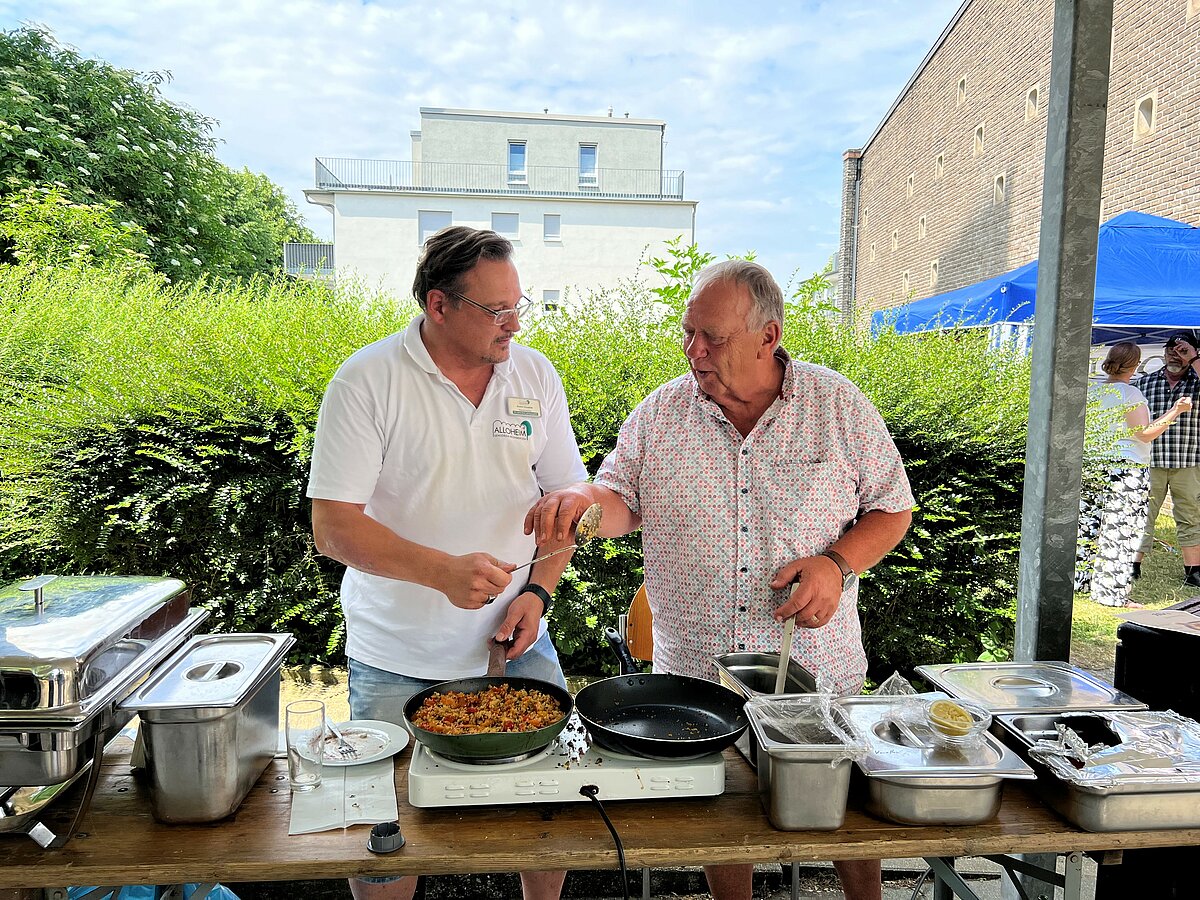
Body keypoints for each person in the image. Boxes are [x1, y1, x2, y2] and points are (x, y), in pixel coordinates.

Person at [525, 259, 914, 900]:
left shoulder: (836, 404)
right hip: (694, 675)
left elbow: (892, 506)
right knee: (718, 823)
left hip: (814, 666)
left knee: (838, 816)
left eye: (714, 337)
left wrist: (837, 565)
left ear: (769, 336)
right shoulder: (661, 414)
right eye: (688, 334)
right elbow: (621, 498)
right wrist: (583, 508)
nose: (694, 351)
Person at [307, 226, 586, 900]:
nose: (515, 324)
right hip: (398, 654)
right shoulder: (369, 379)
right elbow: (333, 529)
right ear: (438, 306)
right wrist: (441, 573)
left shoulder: (534, 374)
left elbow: (564, 505)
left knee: (550, 818)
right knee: (387, 840)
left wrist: (538, 595)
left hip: (518, 645)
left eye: (521, 306)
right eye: (497, 311)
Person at [1074, 342, 1192, 606]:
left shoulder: (1092, 391)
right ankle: (1112, 593)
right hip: (1125, 469)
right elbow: (1144, 433)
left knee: (1088, 526)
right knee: (1121, 530)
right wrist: (1176, 411)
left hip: (1094, 465)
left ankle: (1081, 582)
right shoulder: (1131, 394)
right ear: (1136, 365)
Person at [1133, 331, 1200, 587]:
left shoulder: (1196, 383)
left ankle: (1193, 571)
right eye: (1171, 350)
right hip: (1150, 461)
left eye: (1182, 351)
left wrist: (1193, 358)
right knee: (1143, 515)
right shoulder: (1144, 383)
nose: (1175, 354)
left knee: (1190, 516)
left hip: (1189, 462)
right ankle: (1133, 565)